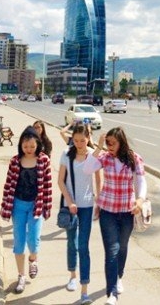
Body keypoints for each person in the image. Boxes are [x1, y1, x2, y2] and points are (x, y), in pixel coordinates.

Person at [83, 127, 147, 305]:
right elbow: (87, 169)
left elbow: (141, 180)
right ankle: (112, 293)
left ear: (121, 142)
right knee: (111, 251)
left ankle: (119, 276)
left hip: (127, 211)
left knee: (123, 246)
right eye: (108, 143)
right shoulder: (104, 157)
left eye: (113, 143)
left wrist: (140, 200)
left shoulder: (134, 158)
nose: (110, 147)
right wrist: (98, 146)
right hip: (108, 211)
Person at [0, 126, 52, 294]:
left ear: (37, 144)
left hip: (36, 206)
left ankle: (33, 259)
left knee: (33, 240)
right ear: (21, 145)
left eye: (31, 146)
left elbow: (48, 185)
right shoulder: (15, 161)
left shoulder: (44, 160)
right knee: (19, 241)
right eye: (25, 146)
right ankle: (21, 276)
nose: (28, 150)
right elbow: (8, 185)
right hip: (18, 205)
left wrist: (47, 207)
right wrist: (5, 207)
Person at [58, 124, 101, 305]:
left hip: (87, 206)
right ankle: (72, 275)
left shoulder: (93, 155)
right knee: (71, 242)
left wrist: (98, 200)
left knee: (83, 246)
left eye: (82, 140)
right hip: (71, 206)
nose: (79, 144)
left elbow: (98, 178)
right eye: (75, 140)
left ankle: (84, 290)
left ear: (88, 137)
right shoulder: (66, 154)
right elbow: (60, 180)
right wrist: (70, 202)